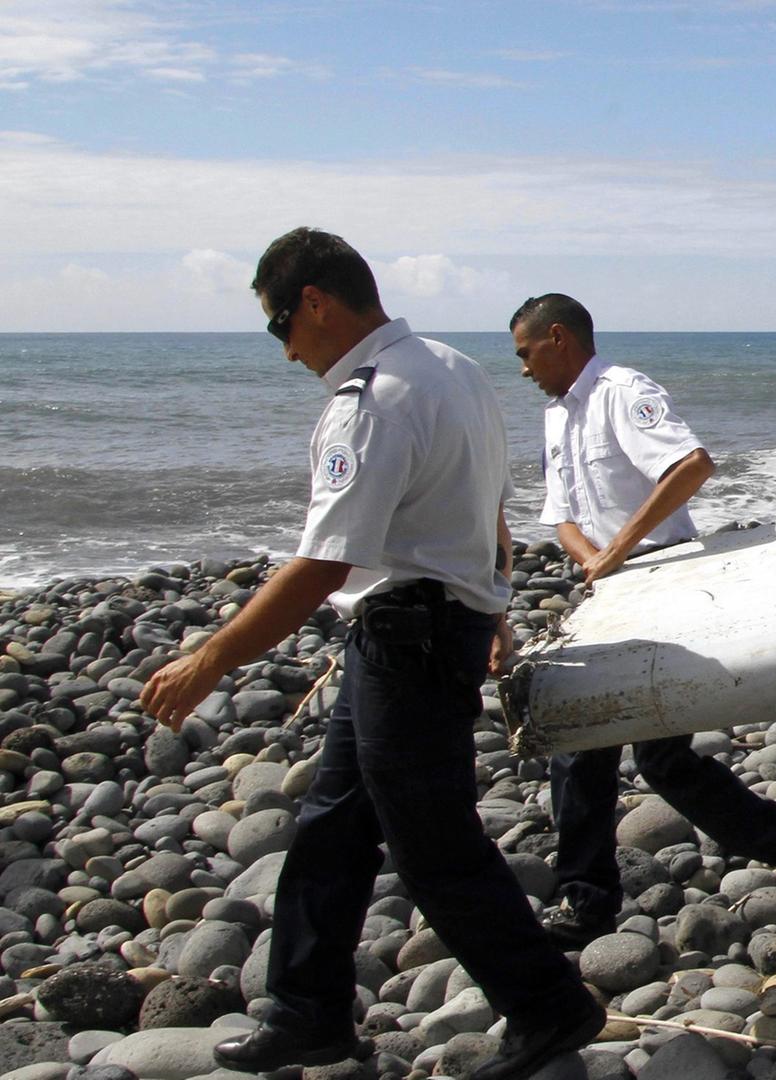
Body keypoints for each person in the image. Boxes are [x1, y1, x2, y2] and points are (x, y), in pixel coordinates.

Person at [140, 230, 603, 1080]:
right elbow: (482, 503)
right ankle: (308, 1010)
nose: (285, 352)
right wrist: (488, 599)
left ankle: (549, 1004)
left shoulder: (374, 397)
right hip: (421, 628)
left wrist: (212, 657)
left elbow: (324, 563)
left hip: (409, 640)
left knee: (431, 842)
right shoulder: (452, 369)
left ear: (316, 302)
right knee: (333, 827)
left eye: (281, 325)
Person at [510, 293, 776, 946]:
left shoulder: (622, 392)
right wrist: (593, 560)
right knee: (597, 747)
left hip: (662, 578)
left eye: (526, 353)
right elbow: (560, 513)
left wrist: (617, 552)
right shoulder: (556, 417)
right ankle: (589, 899)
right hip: (608, 589)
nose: (523, 369)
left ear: (557, 338)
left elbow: (690, 466)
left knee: (648, 754)